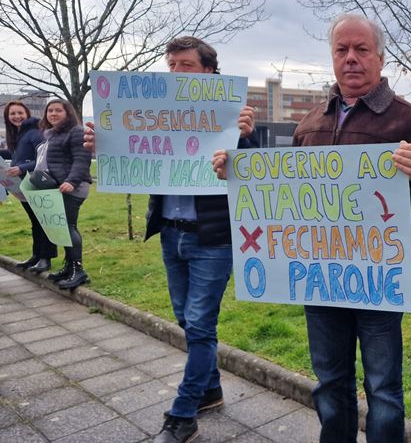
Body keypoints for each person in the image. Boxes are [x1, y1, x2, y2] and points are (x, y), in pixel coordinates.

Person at [212, 13, 411, 443]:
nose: (351, 59)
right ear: (332, 57)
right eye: (342, 50)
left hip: (377, 278)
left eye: (361, 49)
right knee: (330, 384)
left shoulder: (409, 121)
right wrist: (238, 171)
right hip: (319, 278)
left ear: (379, 56)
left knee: (383, 389)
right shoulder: (310, 124)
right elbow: (281, 190)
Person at [84, 36, 258, 443]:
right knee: (185, 319)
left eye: (186, 65)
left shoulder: (235, 116)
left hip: (213, 238)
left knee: (199, 324)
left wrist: (245, 140)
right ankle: (210, 389)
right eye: (172, 65)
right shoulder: (157, 112)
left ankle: (183, 414)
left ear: (210, 72)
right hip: (171, 234)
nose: (177, 72)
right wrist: (103, 147)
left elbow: (255, 174)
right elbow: (137, 149)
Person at [36, 99, 92, 289]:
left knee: (68, 226)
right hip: (59, 186)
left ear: (68, 113)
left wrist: (71, 181)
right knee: (63, 226)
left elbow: (82, 159)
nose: (53, 114)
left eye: (58, 110)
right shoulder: (52, 134)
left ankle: (79, 270)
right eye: (50, 110)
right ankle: (69, 268)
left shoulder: (76, 131)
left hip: (73, 186)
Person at [4, 101, 57, 273]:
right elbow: (17, 155)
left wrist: (21, 168)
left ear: (27, 113)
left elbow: (43, 157)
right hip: (21, 185)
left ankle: (46, 258)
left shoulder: (34, 133)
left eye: (20, 113)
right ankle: (37, 255)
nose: (16, 117)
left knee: (43, 220)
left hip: (36, 182)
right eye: (12, 114)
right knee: (35, 221)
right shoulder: (18, 134)